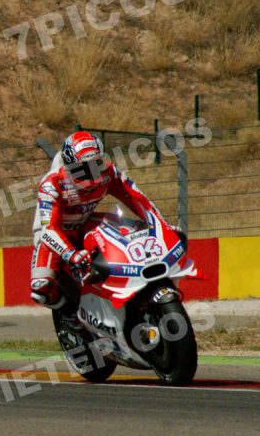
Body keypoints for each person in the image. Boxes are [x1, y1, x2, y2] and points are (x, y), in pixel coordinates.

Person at [30, 131, 174, 309]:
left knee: (130, 232)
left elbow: (136, 198)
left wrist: (162, 226)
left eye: (96, 165)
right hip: (53, 236)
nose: (91, 175)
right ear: (69, 168)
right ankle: (69, 315)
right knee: (40, 289)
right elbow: (48, 230)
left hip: (86, 223)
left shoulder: (110, 172)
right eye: (82, 169)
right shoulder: (51, 184)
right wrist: (71, 254)